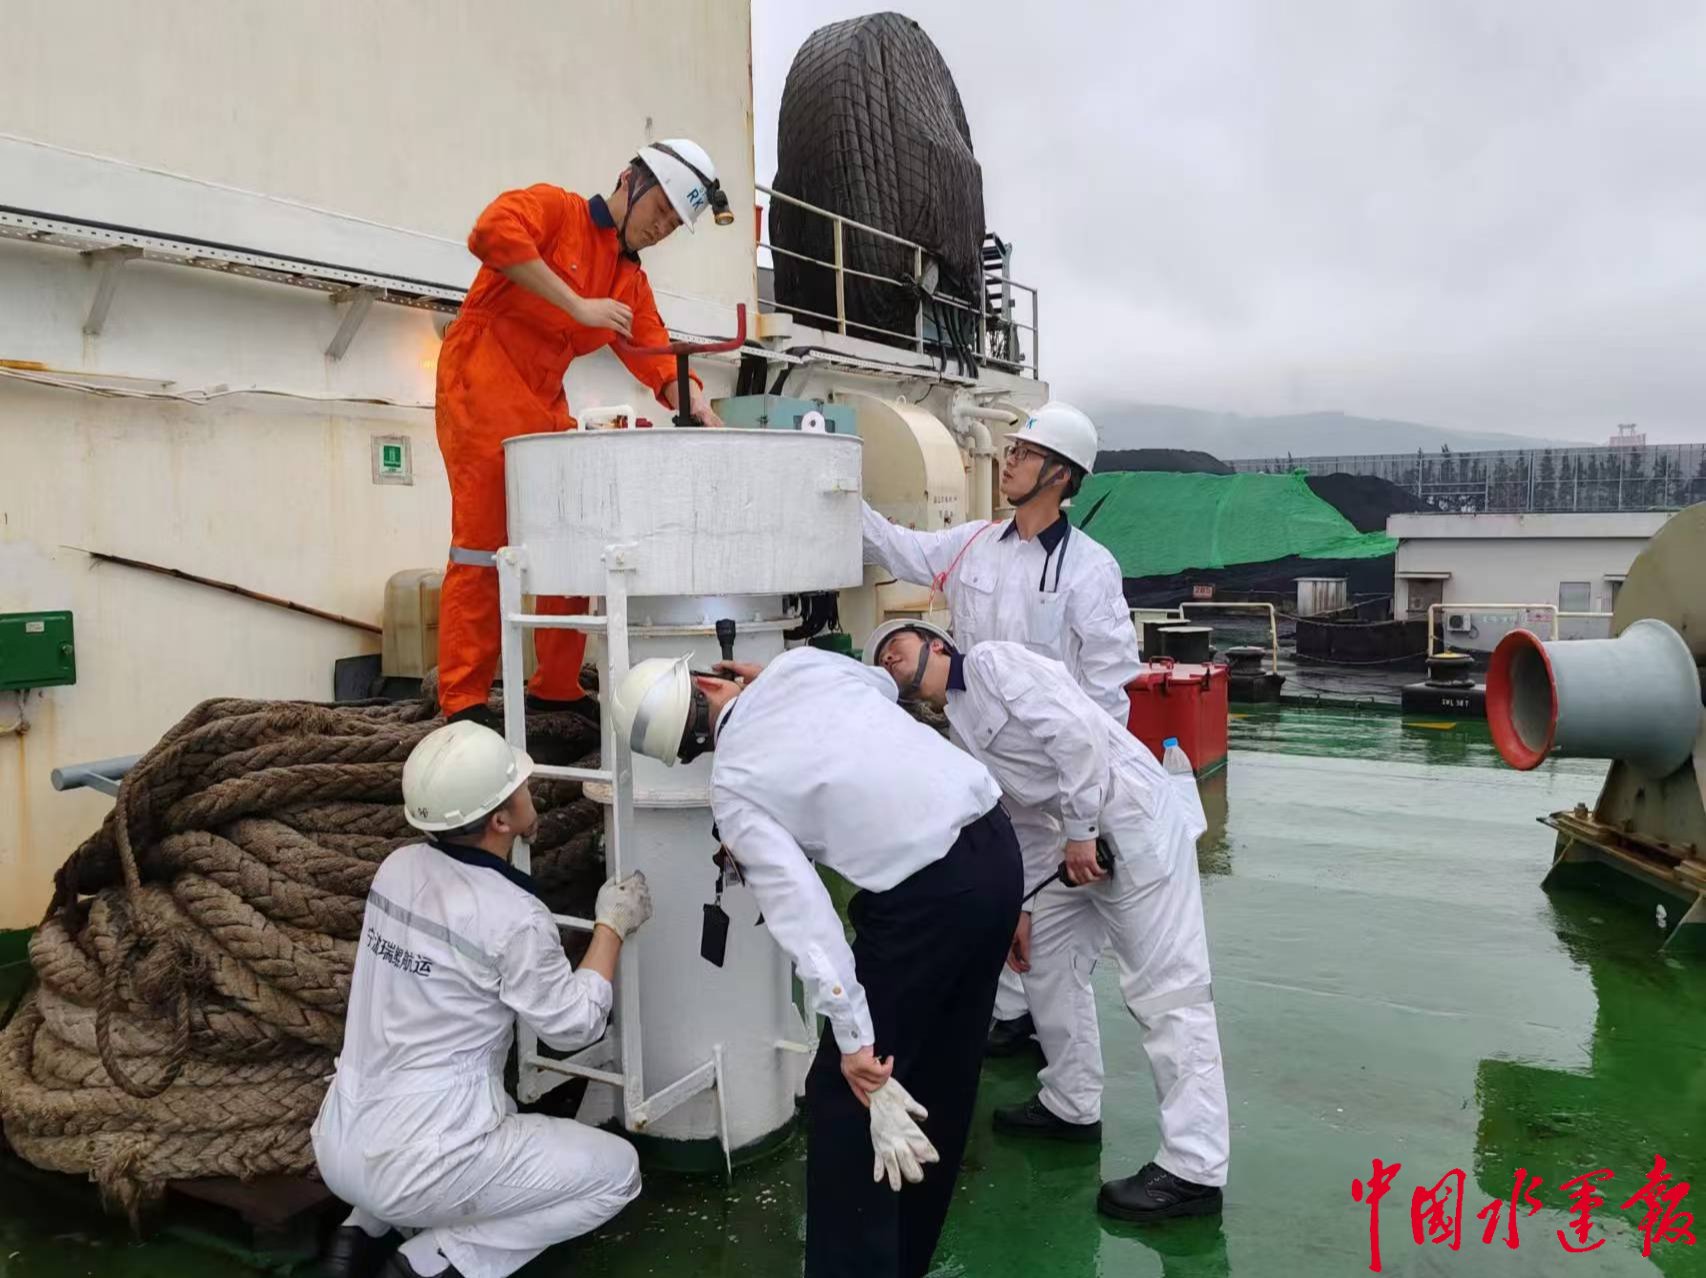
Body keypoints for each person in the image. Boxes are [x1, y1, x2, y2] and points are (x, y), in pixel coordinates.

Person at [608, 648, 1022, 1277]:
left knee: (850, 1094)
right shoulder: (801, 666)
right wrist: (773, 675)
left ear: (687, 752)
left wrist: (855, 1039)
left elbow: (807, 919)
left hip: (929, 901)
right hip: (997, 847)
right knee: (941, 1074)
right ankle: (905, 1259)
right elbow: (882, 687)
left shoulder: (736, 788)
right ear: (706, 680)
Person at [865, 620, 1230, 1222]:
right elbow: (1025, 819)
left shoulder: (994, 664)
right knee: (1044, 964)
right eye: (879, 658)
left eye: (895, 645)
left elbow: (1079, 736)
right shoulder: (959, 728)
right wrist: (1026, 907)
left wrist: (1085, 832)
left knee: (1169, 995)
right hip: (1074, 849)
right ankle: (1071, 1101)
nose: (888, 657)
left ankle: (1193, 1168)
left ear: (935, 643)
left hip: (1132, 828)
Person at [312, 720, 654, 1278]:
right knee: (618, 1173)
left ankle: (356, 1237)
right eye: (518, 787)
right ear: (501, 820)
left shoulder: (396, 869)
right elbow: (571, 1027)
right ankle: (429, 1261)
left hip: (341, 1137)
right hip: (421, 1159)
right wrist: (611, 927)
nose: (529, 791)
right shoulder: (511, 916)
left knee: (452, 1126)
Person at [860, 401, 1140, 1055]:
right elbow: (894, 546)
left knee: (1060, 919)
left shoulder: (1088, 570)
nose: (1007, 462)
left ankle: (1053, 1042)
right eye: (1010, 451)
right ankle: (1015, 1014)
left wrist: (1087, 816)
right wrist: (836, 487)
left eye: (1023, 454)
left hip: (1061, 778)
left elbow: (1106, 699)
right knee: (1002, 896)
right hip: (989, 769)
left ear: (1061, 476)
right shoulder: (974, 547)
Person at [437, 138, 731, 730]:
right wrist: (578, 304)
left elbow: (654, 354)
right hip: (480, 378)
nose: (661, 227)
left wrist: (697, 404)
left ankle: (556, 685)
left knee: (570, 531)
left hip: (544, 396)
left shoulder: (629, 280)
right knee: (482, 543)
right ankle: (463, 702)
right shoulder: (556, 211)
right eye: (661, 209)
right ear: (630, 180)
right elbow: (491, 233)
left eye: (675, 221)